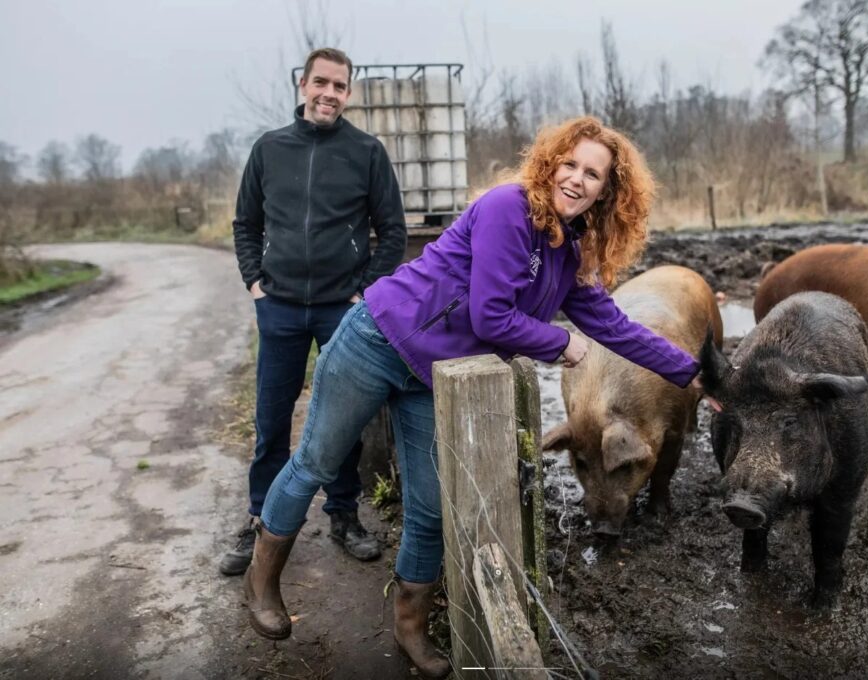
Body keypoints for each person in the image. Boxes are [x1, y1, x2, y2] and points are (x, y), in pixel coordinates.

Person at [241, 116, 703, 678]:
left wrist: (694, 375)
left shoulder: (572, 251)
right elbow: (491, 314)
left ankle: (410, 628)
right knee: (315, 459)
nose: (578, 180)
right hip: (378, 339)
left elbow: (615, 325)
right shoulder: (509, 207)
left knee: (432, 506)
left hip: (437, 375)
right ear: (551, 163)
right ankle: (262, 581)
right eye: (571, 164)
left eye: (594, 174)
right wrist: (563, 344)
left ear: (608, 191)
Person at [223, 47, 406, 576]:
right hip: (277, 308)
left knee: (343, 417)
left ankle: (344, 516)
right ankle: (260, 518)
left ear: (349, 93)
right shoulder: (270, 149)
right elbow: (245, 224)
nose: (329, 93)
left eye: (340, 86)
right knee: (271, 420)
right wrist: (255, 283)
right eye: (320, 82)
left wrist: (363, 293)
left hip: (341, 311)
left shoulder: (366, 152)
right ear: (303, 84)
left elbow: (391, 232)